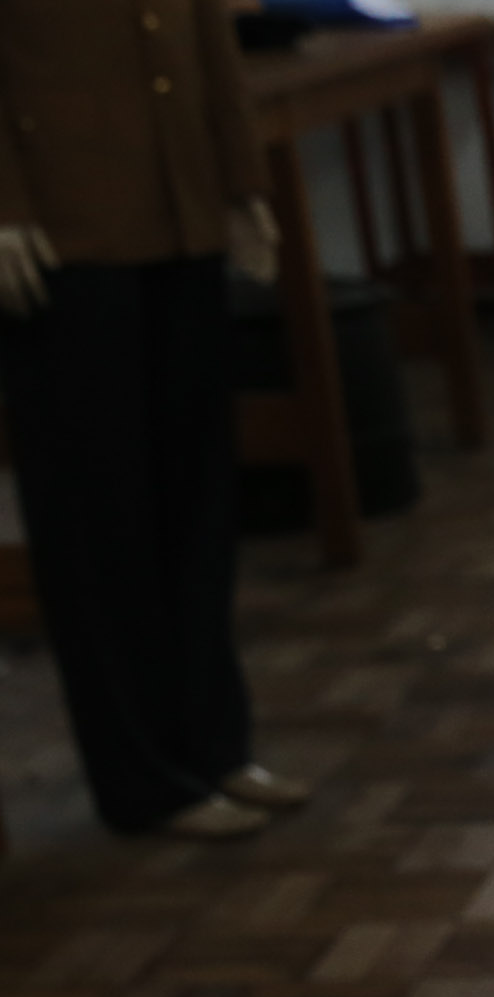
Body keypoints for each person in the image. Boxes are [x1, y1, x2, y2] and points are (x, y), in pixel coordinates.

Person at [0, 0, 309, 839]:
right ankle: (145, 781)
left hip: (179, 205)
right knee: (98, 518)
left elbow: (206, 29)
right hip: (63, 223)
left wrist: (240, 180)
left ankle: (214, 747)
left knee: (197, 501)